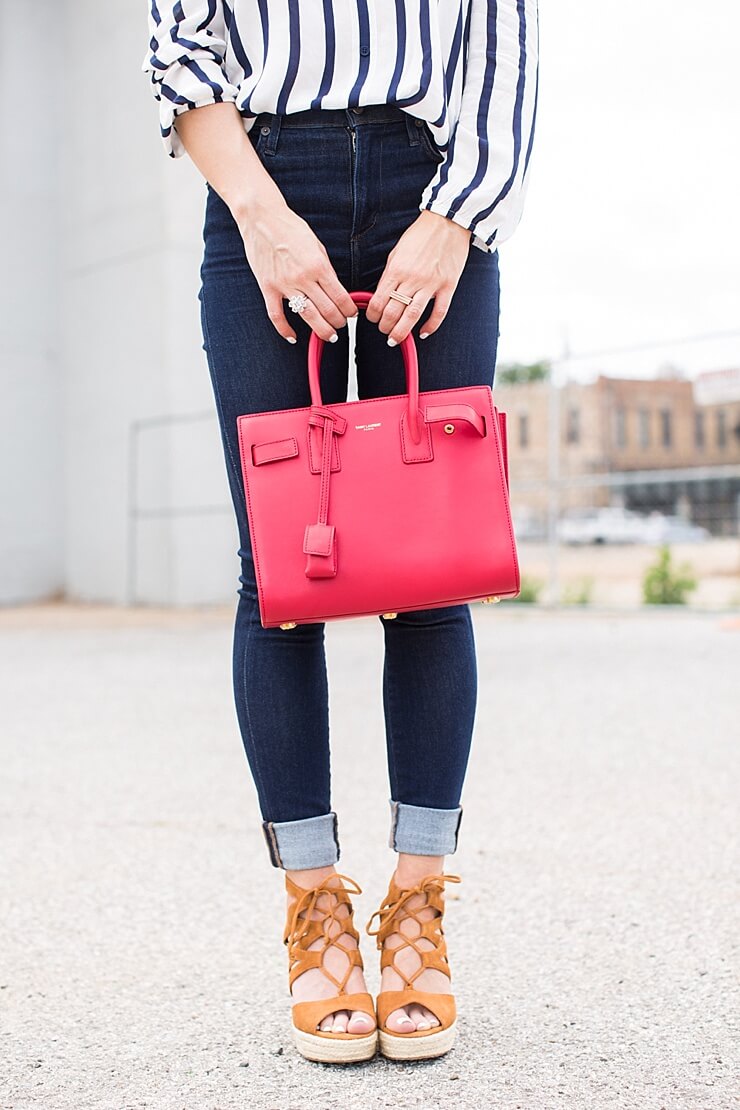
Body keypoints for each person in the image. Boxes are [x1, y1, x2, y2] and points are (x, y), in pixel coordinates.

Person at [141, 0, 538, 1065]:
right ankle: (314, 907)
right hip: (260, 186)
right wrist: (265, 220)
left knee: (429, 567)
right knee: (275, 576)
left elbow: (502, 54)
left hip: (432, 187)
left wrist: (453, 218)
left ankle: (416, 905)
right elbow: (180, 51)